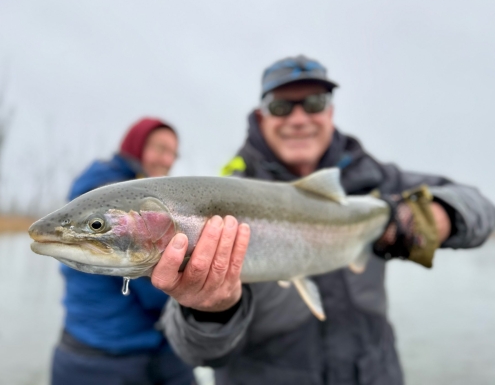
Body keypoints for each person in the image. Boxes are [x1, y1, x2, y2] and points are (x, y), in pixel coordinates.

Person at [151, 56, 495, 385]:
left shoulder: (376, 181)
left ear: (330, 111)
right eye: (282, 106)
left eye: (314, 102)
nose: (298, 118)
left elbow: (481, 208)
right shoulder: (222, 196)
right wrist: (209, 311)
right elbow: (195, 351)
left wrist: (435, 216)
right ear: (261, 115)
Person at [52, 117, 195, 385]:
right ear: (136, 145)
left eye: (172, 153)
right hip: (99, 358)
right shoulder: (109, 196)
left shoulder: (146, 196)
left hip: (157, 349)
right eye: (159, 148)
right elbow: (156, 291)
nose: (166, 159)